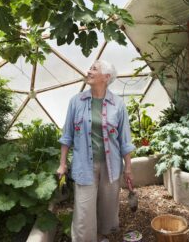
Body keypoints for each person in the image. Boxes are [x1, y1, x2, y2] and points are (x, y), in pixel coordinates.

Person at [56, 60, 136, 242]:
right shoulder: (76, 101)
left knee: (107, 207)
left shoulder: (118, 104)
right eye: (90, 68)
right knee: (84, 211)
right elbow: (67, 135)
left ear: (106, 77)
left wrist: (128, 168)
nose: (88, 71)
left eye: (94, 69)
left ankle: (100, 237)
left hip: (111, 165)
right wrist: (62, 164)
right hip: (84, 165)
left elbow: (125, 140)